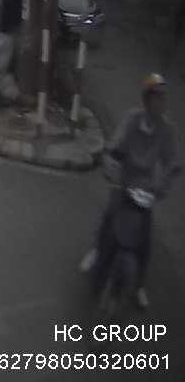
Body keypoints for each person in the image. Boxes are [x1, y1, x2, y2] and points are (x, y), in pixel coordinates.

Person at [79, 73, 180, 308]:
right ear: (147, 100)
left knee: (144, 239)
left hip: (146, 188)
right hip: (124, 180)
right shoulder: (132, 119)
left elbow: (171, 162)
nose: (161, 102)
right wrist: (110, 163)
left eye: (163, 97)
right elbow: (115, 145)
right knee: (110, 217)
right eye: (157, 97)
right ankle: (97, 251)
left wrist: (163, 184)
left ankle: (139, 285)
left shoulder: (167, 129)